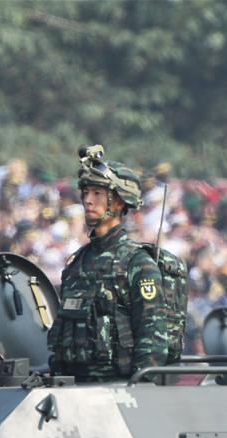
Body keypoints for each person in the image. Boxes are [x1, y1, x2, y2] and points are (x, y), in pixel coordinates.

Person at [48, 145, 169, 381]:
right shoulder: (77, 263)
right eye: (86, 193)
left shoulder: (138, 264)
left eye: (97, 194)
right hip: (71, 389)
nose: (88, 201)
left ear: (119, 202)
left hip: (117, 391)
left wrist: (139, 389)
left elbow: (153, 342)